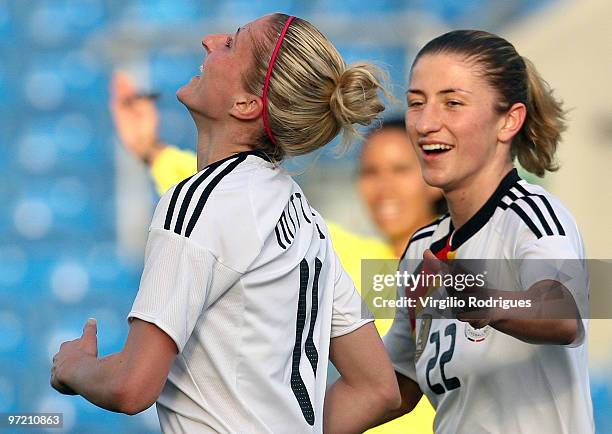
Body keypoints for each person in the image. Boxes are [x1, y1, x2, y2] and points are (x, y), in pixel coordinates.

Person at [50, 14, 403, 433]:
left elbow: (132, 387)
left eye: (232, 44)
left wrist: (76, 367)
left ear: (247, 105)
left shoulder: (200, 201)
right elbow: (378, 389)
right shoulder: (306, 218)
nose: (208, 40)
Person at [110, 68, 441, 431]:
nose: (384, 188)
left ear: (433, 176)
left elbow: (510, 313)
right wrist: (153, 152)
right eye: (370, 172)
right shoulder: (353, 255)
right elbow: (238, 206)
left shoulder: (465, 262)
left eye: (400, 170)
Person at [380, 30, 593, 433]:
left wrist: (480, 299)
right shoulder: (422, 248)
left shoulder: (533, 216)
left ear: (509, 120)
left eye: (453, 103)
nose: (426, 123)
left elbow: (562, 313)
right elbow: (394, 386)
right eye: (416, 103)